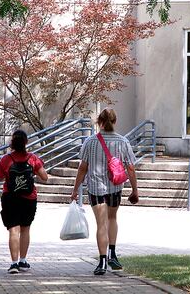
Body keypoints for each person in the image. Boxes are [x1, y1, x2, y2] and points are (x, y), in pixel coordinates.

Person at [70, 108, 139, 275]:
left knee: (101, 224)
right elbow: (130, 168)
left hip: (95, 188)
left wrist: (75, 190)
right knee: (112, 218)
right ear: (114, 121)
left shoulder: (90, 142)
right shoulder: (123, 142)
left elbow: (82, 168)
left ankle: (101, 262)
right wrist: (135, 190)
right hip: (115, 187)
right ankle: (113, 255)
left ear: (98, 122)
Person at [0, 130, 48, 274]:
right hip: (29, 198)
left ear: (12, 143)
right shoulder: (33, 158)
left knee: (13, 230)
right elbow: (45, 177)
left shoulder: (6, 159)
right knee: (25, 229)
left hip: (10, 198)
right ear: (26, 142)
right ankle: (23, 261)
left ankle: (13, 264)